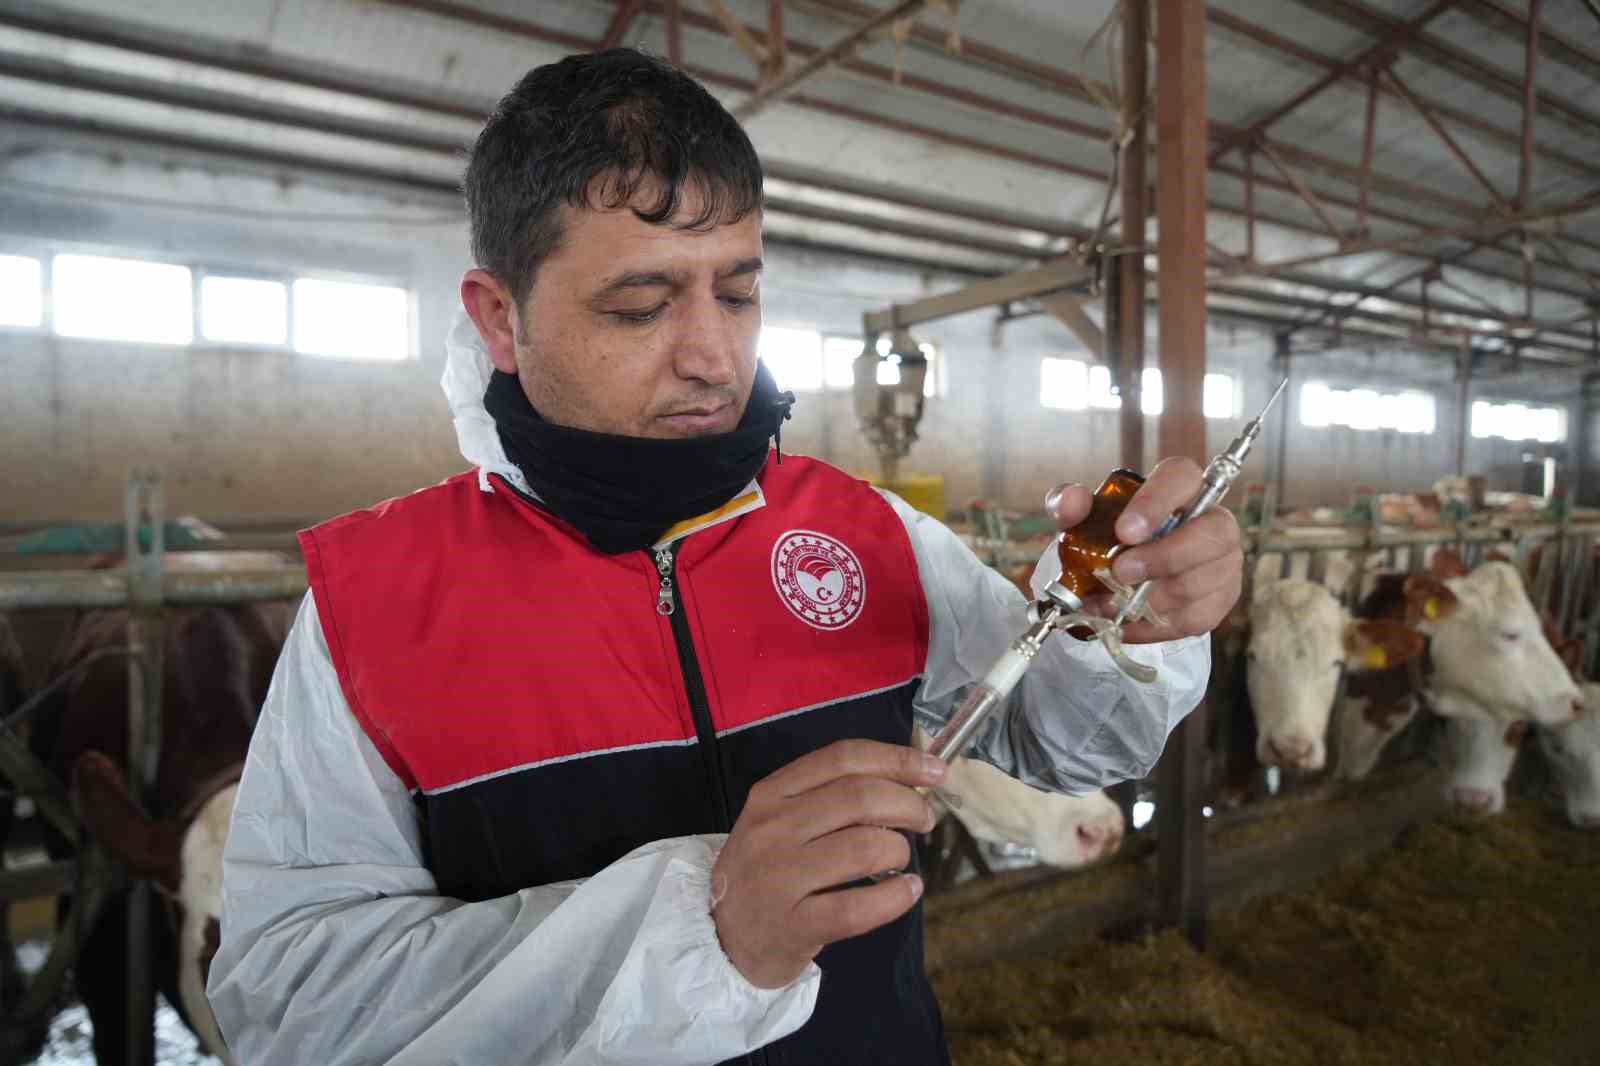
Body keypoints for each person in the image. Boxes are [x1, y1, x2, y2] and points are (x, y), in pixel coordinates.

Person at [207, 48, 1239, 1066]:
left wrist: (1122, 613)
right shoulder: (373, 604)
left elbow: (1058, 739)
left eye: (737, 294)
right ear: (501, 318)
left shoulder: (864, 530)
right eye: (639, 305)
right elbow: (292, 1004)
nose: (713, 358)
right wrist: (702, 932)